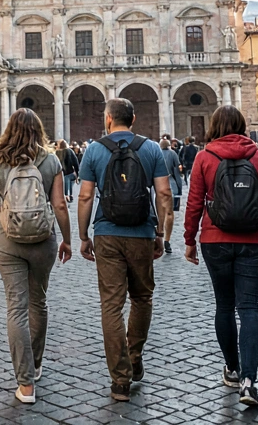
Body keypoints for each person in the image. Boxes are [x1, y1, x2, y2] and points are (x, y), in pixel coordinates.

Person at [184, 106, 258, 409]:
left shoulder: (204, 157)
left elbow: (194, 203)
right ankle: (249, 380)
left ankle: (231, 368)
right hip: (253, 240)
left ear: (214, 126)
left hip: (214, 238)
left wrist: (189, 240)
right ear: (243, 126)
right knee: (248, 308)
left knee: (223, 306)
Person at [77, 99, 170, 402]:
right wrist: (161, 233)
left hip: (107, 233)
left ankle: (120, 380)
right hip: (142, 232)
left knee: (111, 305)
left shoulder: (93, 150)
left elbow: (86, 197)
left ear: (107, 119)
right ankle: (135, 354)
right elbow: (164, 193)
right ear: (133, 119)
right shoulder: (152, 148)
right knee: (142, 297)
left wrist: (82, 235)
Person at [0, 108, 71, 405]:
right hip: (43, 239)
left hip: (8, 240)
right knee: (38, 301)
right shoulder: (51, 158)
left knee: (16, 308)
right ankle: (36, 364)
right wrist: (68, 239)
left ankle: (25, 383)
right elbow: (59, 205)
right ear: (39, 129)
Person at [159, 138, 184, 254]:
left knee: (160, 212)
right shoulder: (173, 154)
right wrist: (180, 187)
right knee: (169, 213)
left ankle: (159, 236)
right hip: (171, 184)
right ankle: (167, 240)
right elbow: (177, 170)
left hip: (158, 185)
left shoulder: (156, 153)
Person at [56, 139, 79, 203]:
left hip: (61, 174)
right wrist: (77, 174)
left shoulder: (57, 153)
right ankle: (70, 194)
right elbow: (75, 163)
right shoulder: (70, 151)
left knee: (66, 179)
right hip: (70, 172)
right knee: (70, 179)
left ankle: (66, 195)